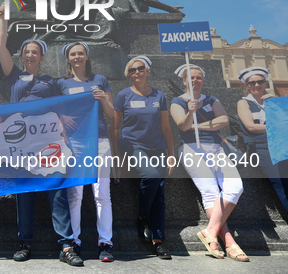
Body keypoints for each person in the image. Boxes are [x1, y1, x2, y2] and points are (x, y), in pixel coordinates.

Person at [0, 10, 83, 266]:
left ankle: (66, 246)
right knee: (24, 193)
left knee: (57, 191)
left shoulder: (50, 81)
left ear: (41, 57)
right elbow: (1, 45)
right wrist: (3, 18)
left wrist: (64, 127)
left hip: (48, 143)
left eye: (35, 51)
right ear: (21, 56)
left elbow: (58, 108)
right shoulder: (13, 75)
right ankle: (24, 243)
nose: (30, 54)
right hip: (21, 143)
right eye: (26, 51)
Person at [170, 64, 248, 262]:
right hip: (191, 149)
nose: (195, 80)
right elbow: (182, 125)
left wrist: (198, 124)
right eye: (191, 78)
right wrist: (189, 112)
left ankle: (210, 231)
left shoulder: (212, 99)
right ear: (184, 80)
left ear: (202, 80)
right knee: (211, 192)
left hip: (215, 149)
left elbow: (224, 120)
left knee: (235, 187)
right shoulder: (177, 101)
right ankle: (228, 241)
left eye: (198, 77)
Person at [56, 42, 115, 262]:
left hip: (99, 141)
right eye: (73, 54)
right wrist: (64, 120)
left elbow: (111, 114)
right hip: (74, 143)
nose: (77, 57)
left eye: (81, 53)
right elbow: (56, 112)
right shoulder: (61, 83)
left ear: (87, 56)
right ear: (68, 58)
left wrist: (102, 100)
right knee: (75, 195)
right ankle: (75, 243)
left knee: (102, 194)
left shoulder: (99, 80)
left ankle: (105, 243)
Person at [111, 56, 175, 259]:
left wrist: (171, 154)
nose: (136, 72)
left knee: (159, 194)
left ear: (147, 71)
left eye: (140, 68)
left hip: (157, 148)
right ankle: (142, 217)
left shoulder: (159, 96)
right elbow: (114, 128)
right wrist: (117, 156)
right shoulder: (123, 96)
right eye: (132, 70)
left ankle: (158, 241)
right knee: (151, 176)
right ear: (128, 75)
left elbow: (166, 127)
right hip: (132, 147)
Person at [237, 67, 288, 214]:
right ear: (247, 86)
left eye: (260, 81)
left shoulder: (273, 101)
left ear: (265, 83)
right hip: (261, 148)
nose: (256, 85)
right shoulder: (244, 102)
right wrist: (276, 127)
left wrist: (275, 103)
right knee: (280, 183)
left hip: (281, 144)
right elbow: (251, 127)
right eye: (252, 83)